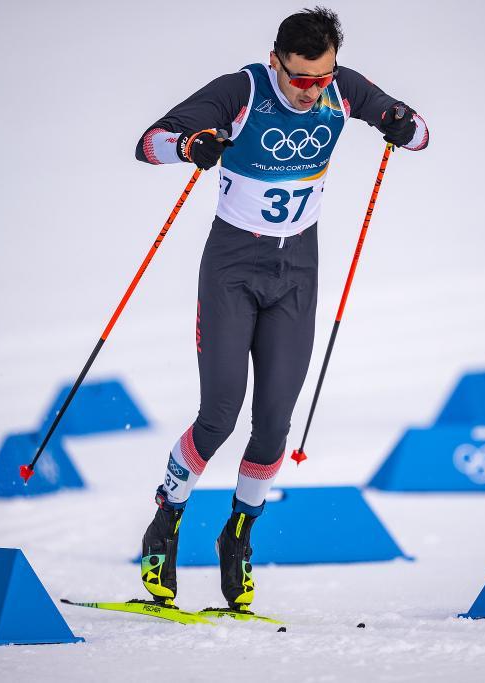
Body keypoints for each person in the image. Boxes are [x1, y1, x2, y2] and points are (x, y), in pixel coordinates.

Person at [134, 6, 428, 613]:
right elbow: (149, 144)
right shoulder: (241, 89)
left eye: (322, 79)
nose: (310, 92)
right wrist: (192, 144)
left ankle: (238, 535)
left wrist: (401, 126)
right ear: (276, 62)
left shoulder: (342, 90)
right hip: (232, 267)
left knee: (273, 424)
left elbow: (419, 130)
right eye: (299, 79)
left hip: (298, 272)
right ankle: (166, 522)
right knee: (218, 414)